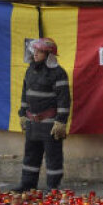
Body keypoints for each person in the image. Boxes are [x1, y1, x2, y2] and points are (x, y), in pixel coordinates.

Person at [12, 37, 70, 192]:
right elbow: (25, 94)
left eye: (40, 51)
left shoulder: (58, 73)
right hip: (32, 123)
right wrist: (22, 114)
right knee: (30, 155)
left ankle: (53, 187)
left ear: (49, 55)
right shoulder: (30, 70)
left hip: (50, 123)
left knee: (53, 157)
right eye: (35, 50)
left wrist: (61, 122)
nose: (35, 54)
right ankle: (27, 184)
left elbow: (64, 100)